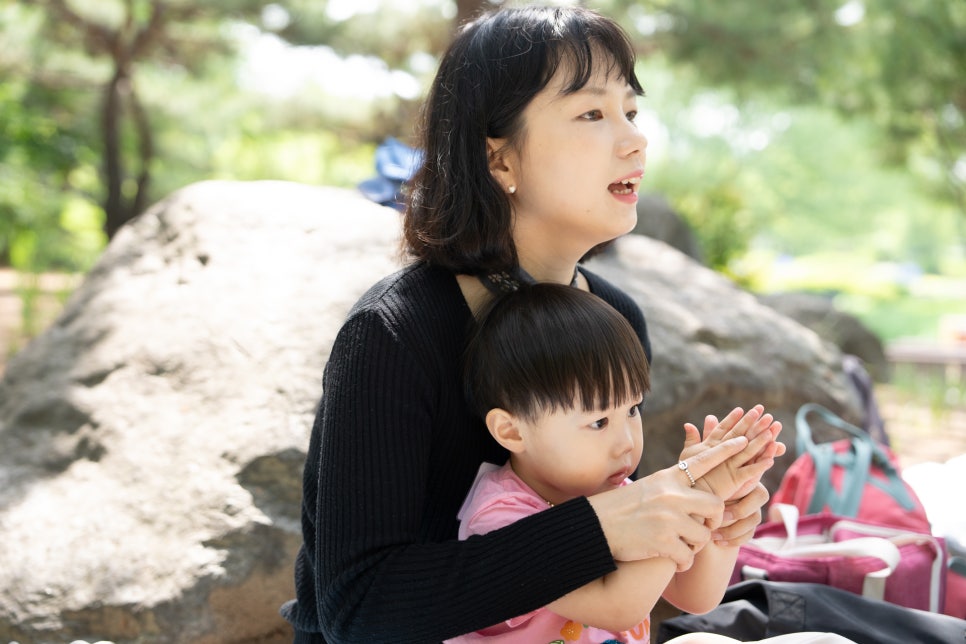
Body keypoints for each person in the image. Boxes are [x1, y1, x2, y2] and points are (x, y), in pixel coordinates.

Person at [281, 6, 779, 642]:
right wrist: (603, 527)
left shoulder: (613, 317)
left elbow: (625, 557)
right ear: (500, 162)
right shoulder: (394, 334)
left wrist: (702, 514)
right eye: (592, 114)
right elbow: (360, 605)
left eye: (631, 110)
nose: (634, 139)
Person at [447, 283, 782, 643]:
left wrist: (717, 514)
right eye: (598, 422)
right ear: (512, 431)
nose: (626, 443)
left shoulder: (622, 494)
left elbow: (694, 598)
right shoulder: (502, 520)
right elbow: (618, 607)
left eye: (633, 409)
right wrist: (691, 491)